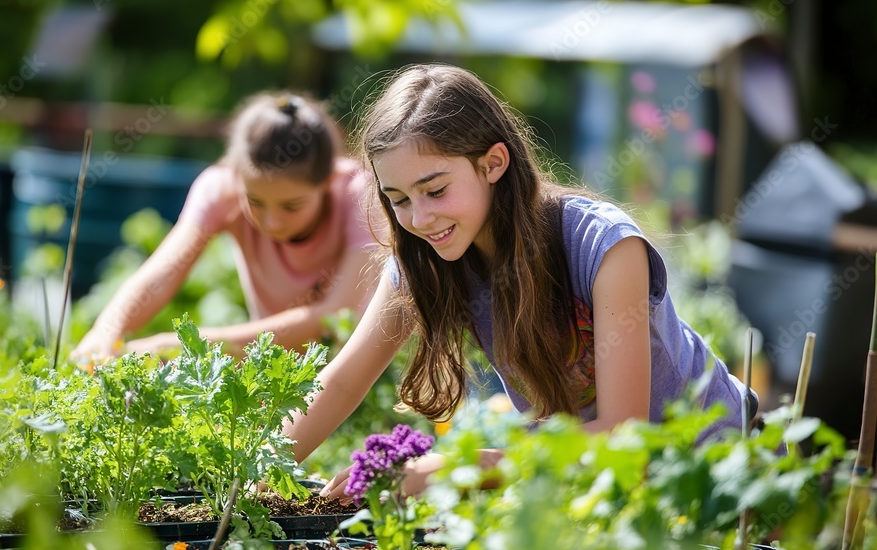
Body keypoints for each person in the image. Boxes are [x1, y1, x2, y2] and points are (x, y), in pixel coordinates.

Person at [280, 64, 758, 499]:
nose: (420, 218)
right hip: (606, 489)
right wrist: (257, 473)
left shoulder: (604, 246)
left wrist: (458, 468)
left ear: (493, 164)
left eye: (436, 189)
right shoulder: (426, 261)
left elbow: (623, 436)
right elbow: (341, 383)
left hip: (722, 475)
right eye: (399, 199)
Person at [72, 92, 380, 360]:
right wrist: (106, 332)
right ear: (236, 177)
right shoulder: (221, 188)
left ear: (328, 180)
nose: (271, 222)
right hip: (271, 366)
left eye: (291, 206)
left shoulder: (360, 195)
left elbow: (338, 315)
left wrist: (186, 346)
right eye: (255, 201)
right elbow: (162, 273)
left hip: (365, 370)